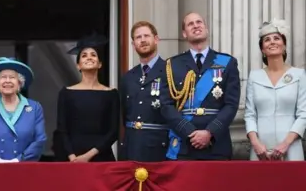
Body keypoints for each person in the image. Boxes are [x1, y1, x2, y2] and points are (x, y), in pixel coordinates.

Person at [160, 12, 240, 160]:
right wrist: (190, 132)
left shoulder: (227, 62)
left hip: (216, 143)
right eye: (190, 24)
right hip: (184, 143)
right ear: (184, 33)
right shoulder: (172, 65)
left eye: (199, 22)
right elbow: (166, 106)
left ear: (206, 29)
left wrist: (210, 132)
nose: (196, 25)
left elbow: (231, 105)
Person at [244, 19, 306, 161]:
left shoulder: (299, 74)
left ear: (284, 46)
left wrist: (286, 143)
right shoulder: (254, 76)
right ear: (263, 49)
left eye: (277, 38)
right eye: (267, 40)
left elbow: (303, 114)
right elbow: (250, 114)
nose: (272, 42)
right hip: (261, 149)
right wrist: (256, 143)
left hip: (291, 147)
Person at [55, 33, 120, 162]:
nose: (89, 58)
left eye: (93, 55)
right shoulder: (66, 93)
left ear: (100, 64)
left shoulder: (111, 93)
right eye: (84, 56)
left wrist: (88, 156)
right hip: (72, 159)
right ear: (78, 65)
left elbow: (113, 132)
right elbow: (62, 130)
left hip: (102, 157)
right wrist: (72, 157)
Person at [0, 57, 47, 163]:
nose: (7, 81)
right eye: (3, 77)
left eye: (12, 77)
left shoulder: (34, 107)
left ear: (19, 83)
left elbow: (40, 140)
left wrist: (19, 160)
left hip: (24, 168)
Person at [119, 21, 169, 162]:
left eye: (146, 35)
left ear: (156, 39)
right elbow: (125, 114)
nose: (143, 40)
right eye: (138, 37)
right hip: (132, 147)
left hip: (159, 148)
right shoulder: (128, 77)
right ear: (133, 45)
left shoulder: (170, 71)